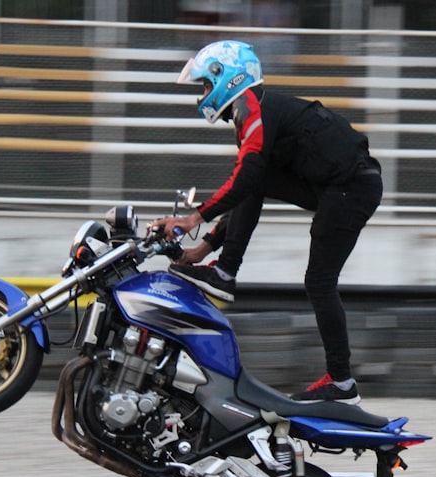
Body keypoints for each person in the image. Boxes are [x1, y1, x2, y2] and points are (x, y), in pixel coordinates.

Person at [153, 40, 381, 405]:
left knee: (319, 282)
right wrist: (203, 249)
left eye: (206, 85)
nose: (203, 95)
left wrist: (194, 217)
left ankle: (341, 384)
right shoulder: (250, 110)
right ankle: (224, 273)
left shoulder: (252, 109)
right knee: (254, 180)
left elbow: (245, 177)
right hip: (335, 185)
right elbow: (249, 183)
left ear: (227, 78)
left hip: (350, 188)